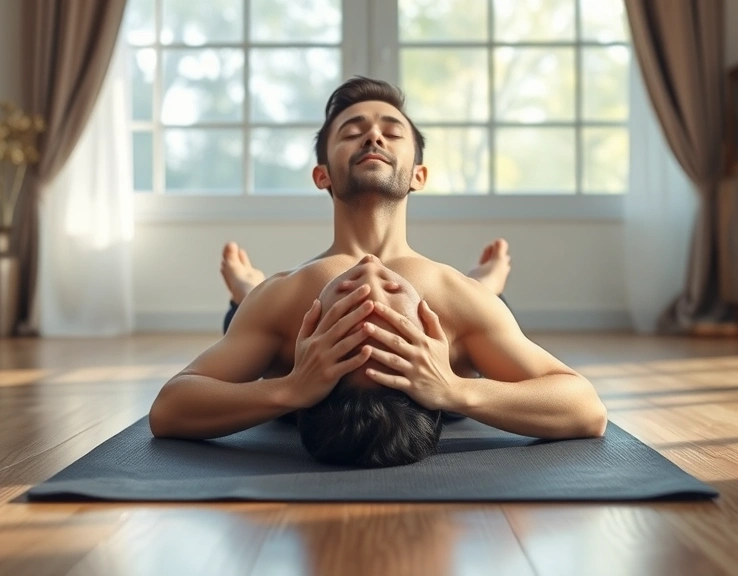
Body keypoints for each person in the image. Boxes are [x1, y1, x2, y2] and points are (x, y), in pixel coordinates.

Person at [148, 77, 607, 466]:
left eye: (392, 131)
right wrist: (291, 389)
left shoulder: (451, 293)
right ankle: (244, 293)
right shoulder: (286, 295)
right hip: (308, 397)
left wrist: (452, 389)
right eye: (352, 130)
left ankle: (488, 286)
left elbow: (586, 409)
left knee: (483, 308)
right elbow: (170, 408)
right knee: (250, 311)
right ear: (322, 175)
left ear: (418, 176)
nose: (373, 137)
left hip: (441, 385)